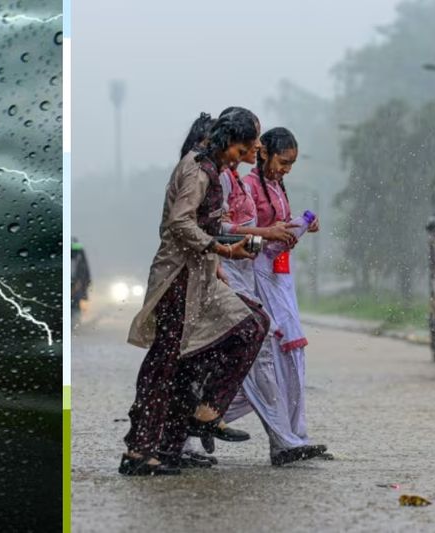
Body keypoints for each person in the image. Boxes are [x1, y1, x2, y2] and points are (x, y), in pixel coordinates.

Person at [120, 110, 269, 476]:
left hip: (201, 277)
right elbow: (179, 222)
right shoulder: (198, 169)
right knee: (165, 362)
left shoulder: (215, 171)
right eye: (243, 147)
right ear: (225, 141)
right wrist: (222, 250)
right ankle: (139, 451)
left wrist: (224, 252)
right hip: (178, 280)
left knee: (251, 325)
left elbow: (208, 223)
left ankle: (201, 417)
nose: (244, 155)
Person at [186, 111, 327, 466]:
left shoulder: (242, 179)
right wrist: (267, 234)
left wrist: (293, 227)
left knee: (279, 359)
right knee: (259, 355)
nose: (254, 147)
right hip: (239, 271)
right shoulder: (222, 179)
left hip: (264, 274)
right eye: (250, 143)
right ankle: (274, 438)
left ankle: (285, 437)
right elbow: (208, 228)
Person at [243, 127, 328, 462]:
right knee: (270, 358)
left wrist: (298, 225)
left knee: (292, 357)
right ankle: (283, 439)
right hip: (257, 276)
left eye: (291, 164)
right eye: (283, 161)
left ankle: (295, 435)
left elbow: (276, 230)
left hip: (281, 276)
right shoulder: (247, 188)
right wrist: (271, 235)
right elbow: (243, 235)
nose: (286, 169)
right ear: (263, 152)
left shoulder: (277, 187)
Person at [71, 237, 91, 319]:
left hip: (76, 284)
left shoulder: (78, 252)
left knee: (75, 304)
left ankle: (75, 322)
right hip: (76, 284)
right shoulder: (78, 252)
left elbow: (84, 269)